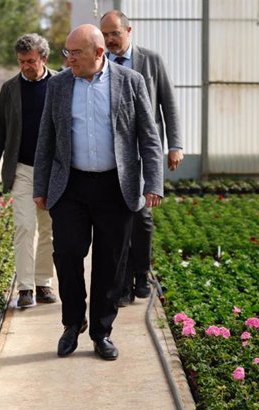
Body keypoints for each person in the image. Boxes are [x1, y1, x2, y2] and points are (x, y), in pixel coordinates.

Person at [33, 24, 164, 360]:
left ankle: (101, 332)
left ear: (98, 53)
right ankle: (71, 323)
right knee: (67, 254)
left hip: (115, 186)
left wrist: (154, 182)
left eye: (75, 52)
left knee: (110, 262)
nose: (69, 58)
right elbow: (46, 139)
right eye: (67, 51)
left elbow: (148, 137)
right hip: (70, 185)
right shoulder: (59, 84)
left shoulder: (130, 82)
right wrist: (40, 187)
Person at [99, 10, 183, 306]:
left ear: (128, 30)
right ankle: (121, 284)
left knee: (142, 219)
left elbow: (168, 106)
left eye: (114, 33)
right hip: (113, 155)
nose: (109, 40)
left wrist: (175, 145)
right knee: (117, 221)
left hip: (143, 152)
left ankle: (141, 272)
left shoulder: (151, 60)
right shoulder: (100, 63)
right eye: (105, 34)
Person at [0, 33, 58, 308]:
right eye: (21, 61)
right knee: (25, 227)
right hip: (23, 169)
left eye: (30, 61)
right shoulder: (10, 89)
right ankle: (25, 288)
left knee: (49, 229)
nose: (25, 66)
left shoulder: (60, 83)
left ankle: (43, 283)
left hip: (53, 171)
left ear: (43, 58)